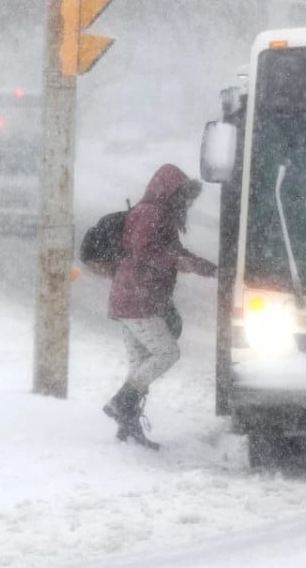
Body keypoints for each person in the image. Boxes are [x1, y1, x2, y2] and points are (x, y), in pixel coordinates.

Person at [103, 164, 216, 449]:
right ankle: (122, 402)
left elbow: (175, 252)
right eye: (184, 196)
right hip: (136, 298)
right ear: (170, 192)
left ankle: (127, 426)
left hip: (131, 297)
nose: (187, 203)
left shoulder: (159, 214)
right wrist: (175, 262)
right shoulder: (150, 214)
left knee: (140, 363)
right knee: (167, 352)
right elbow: (144, 252)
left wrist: (209, 269)